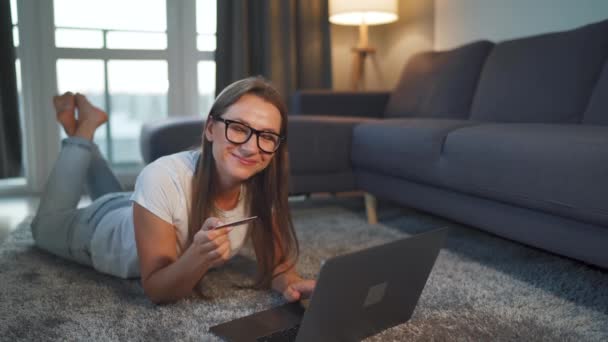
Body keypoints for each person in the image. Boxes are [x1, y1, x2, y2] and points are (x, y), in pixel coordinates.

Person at [31, 76, 316, 304]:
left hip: (137, 207)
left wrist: (291, 284)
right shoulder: (161, 176)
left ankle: (79, 129)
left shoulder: (262, 187)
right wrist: (198, 255)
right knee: (42, 227)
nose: (252, 147)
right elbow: (156, 289)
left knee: (134, 199)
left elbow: (278, 265)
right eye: (239, 128)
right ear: (210, 129)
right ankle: (83, 131)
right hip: (100, 231)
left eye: (267, 136)